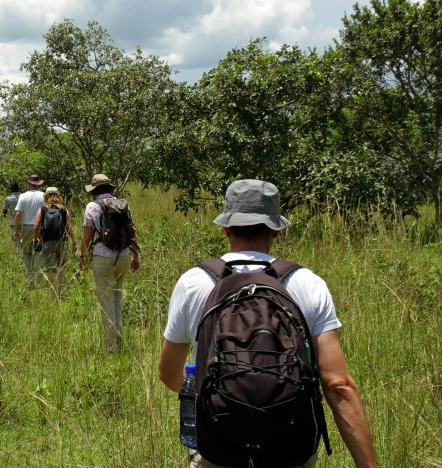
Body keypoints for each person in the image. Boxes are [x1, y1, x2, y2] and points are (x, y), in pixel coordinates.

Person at [157, 179, 377, 468]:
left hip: (218, 448)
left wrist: (220, 402)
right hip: (290, 447)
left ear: (225, 228)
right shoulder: (307, 283)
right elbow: (338, 386)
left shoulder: (194, 282)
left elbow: (168, 373)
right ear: (275, 231)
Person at [79, 174, 140, 353]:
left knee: (106, 301)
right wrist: (135, 256)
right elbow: (132, 231)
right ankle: (118, 336)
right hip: (124, 256)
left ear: (94, 190)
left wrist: (82, 257)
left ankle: (110, 347)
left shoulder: (92, 206)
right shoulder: (123, 204)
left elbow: (86, 237)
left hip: (103, 257)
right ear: (109, 188)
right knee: (117, 296)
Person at [32, 187, 77, 295]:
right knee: (61, 266)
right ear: (57, 196)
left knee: (51, 268)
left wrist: (35, 240)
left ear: (46, 196)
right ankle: (61, 289)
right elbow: (69, 227)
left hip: (47, 242)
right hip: (62, 242)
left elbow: (36, 226)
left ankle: (52, 291)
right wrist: (74, 243)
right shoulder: (63, 209)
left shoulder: (42, 209)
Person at [13, 174, 46, 285]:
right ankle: (39, 278)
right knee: (38, 252)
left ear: (29, 184)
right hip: (40, 227)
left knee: (26, 253)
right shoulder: (44, 196)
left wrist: (16, 230)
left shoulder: (23, 196)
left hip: (27, 227)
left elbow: (18, 214)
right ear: (39, 184)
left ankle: (29, 278)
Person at [2, 181, 21, 254]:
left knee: (15, 239)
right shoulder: (23, 197)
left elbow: (5, 210)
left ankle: (18, 253)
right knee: (23, 239)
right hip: (23, 221)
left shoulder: (8, 199)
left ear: (11, 189)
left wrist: (4, 215)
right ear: (18, 188)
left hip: (13, 221)